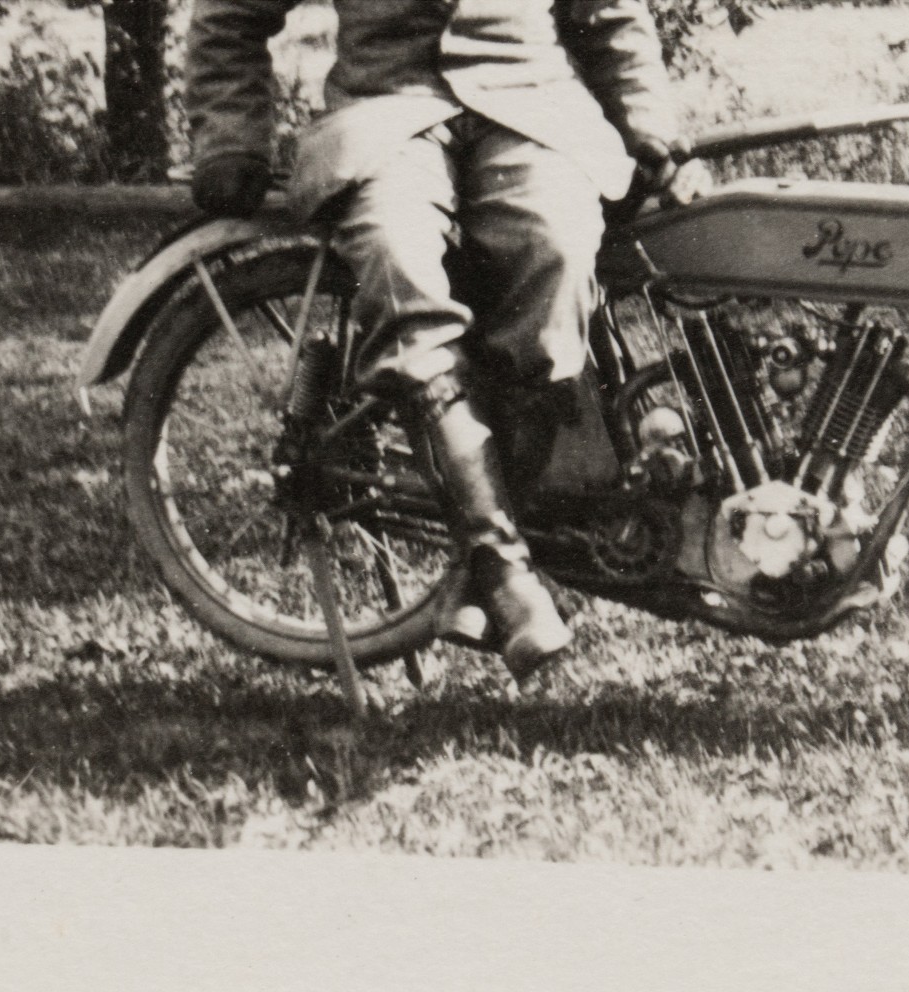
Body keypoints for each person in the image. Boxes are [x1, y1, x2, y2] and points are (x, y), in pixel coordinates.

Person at [186, 0, 713, 679]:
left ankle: (478, 567)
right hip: (385, 116)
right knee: (396, 261)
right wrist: (231, 137)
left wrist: (649, 131)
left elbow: (609, 14)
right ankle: (502, 566)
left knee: (553, 251)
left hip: (533, 112)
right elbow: (229, 13)